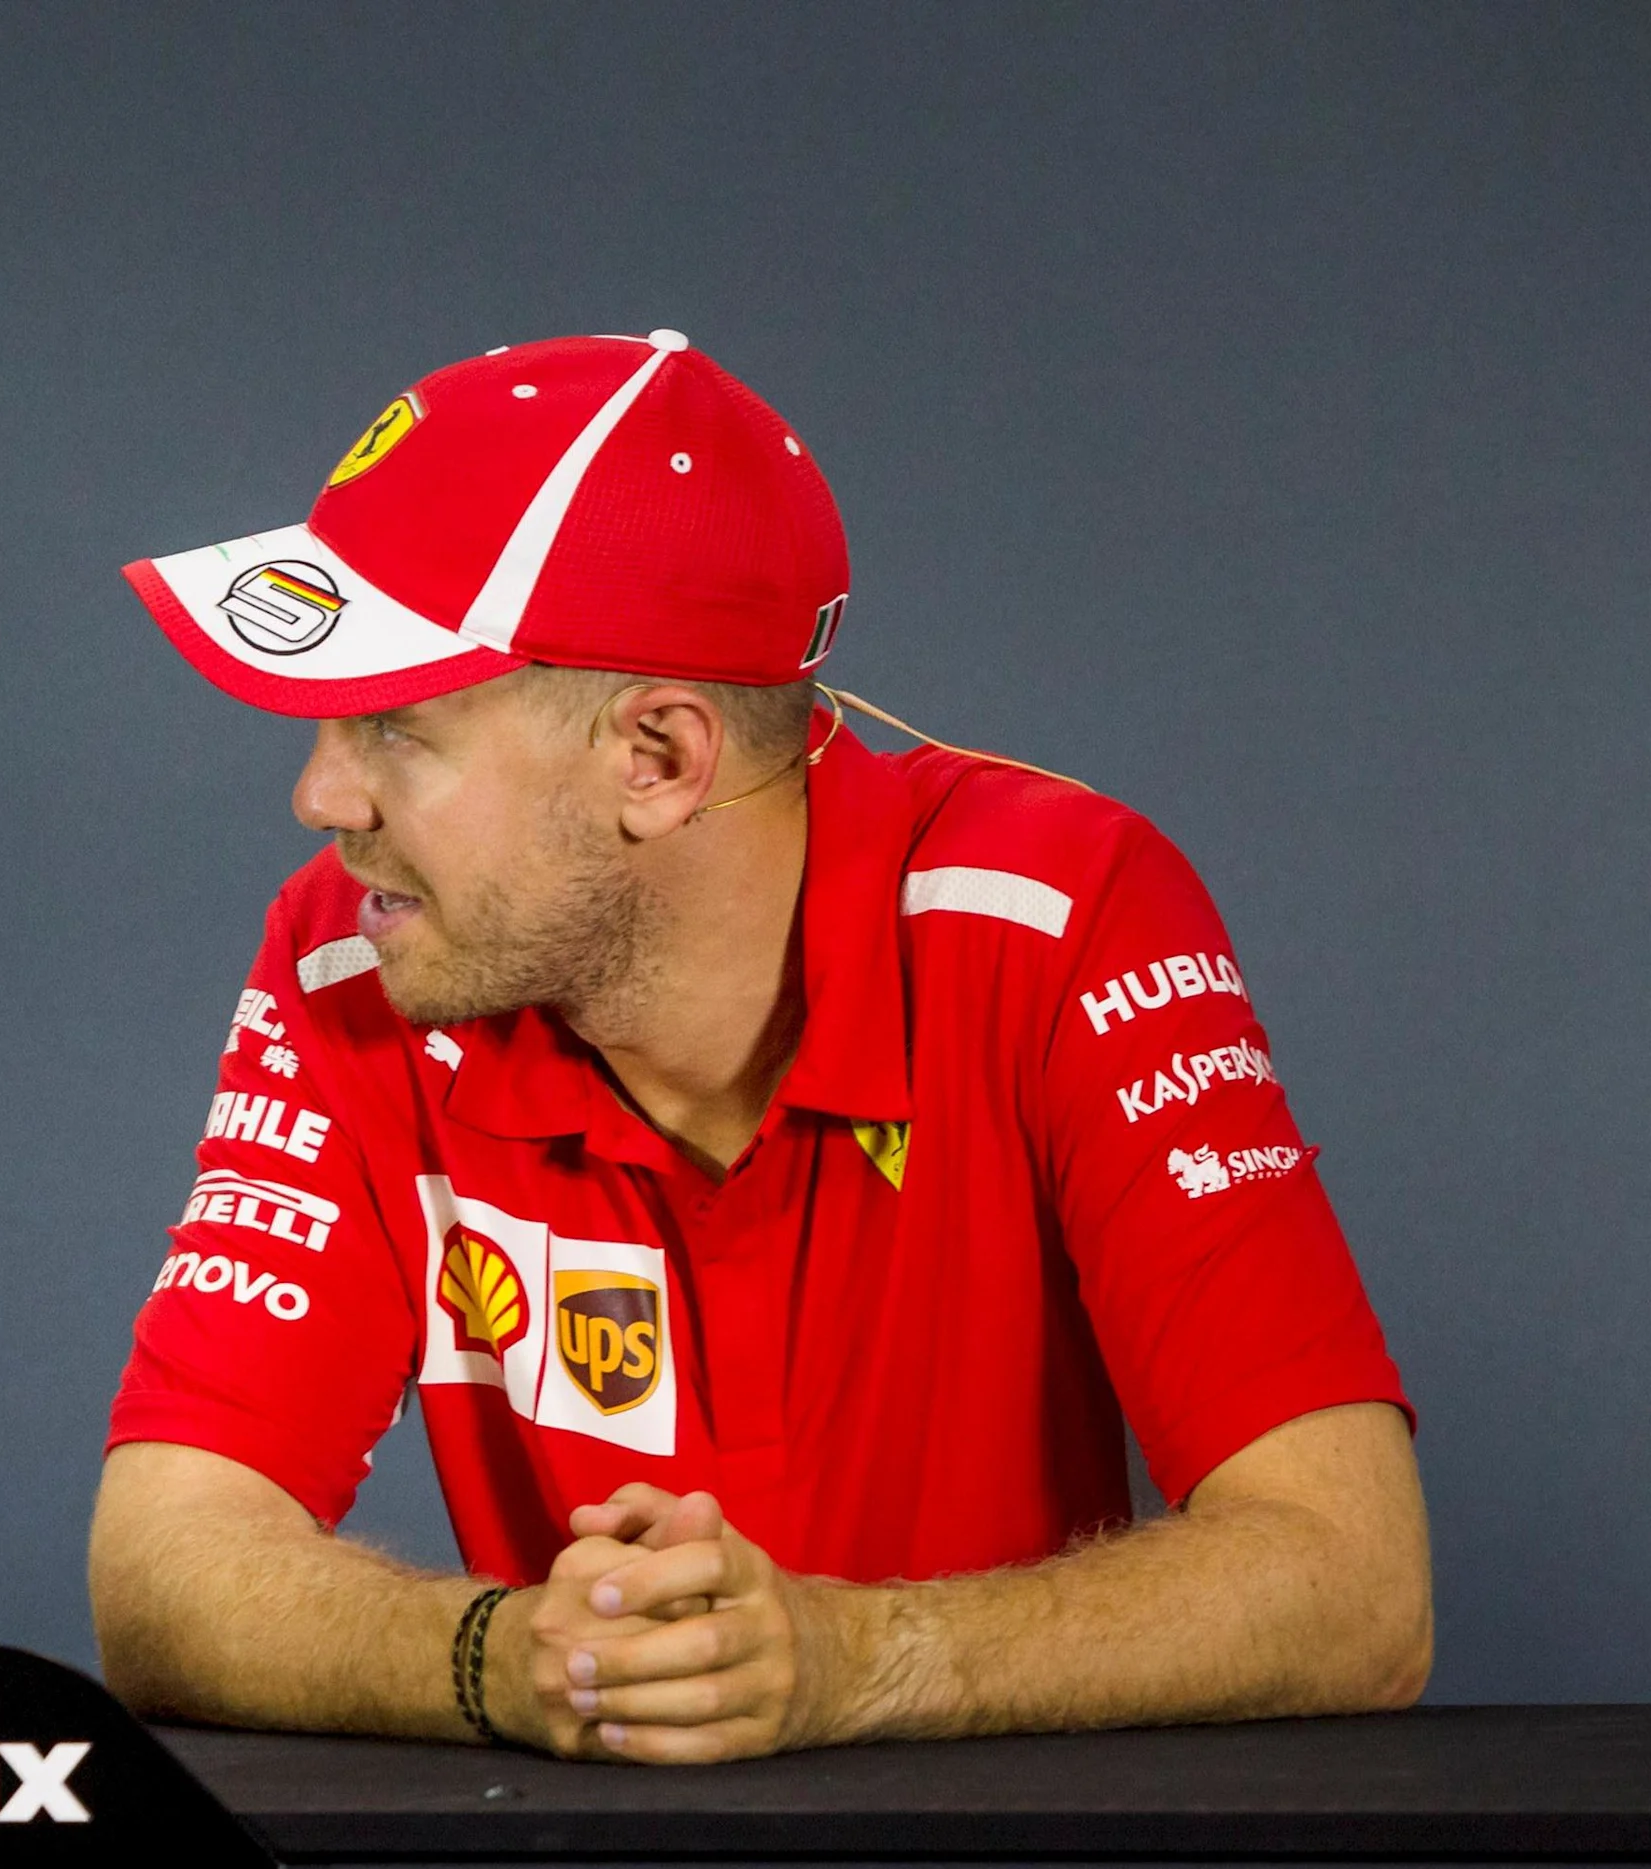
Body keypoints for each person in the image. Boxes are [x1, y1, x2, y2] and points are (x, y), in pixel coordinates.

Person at [86, 330, 1429, 1763]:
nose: (317, 796)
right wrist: (494, 1658)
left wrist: (856, 1661)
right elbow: (161, 1564)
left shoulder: (1053, 912)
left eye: (398, 728)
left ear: (657, 759)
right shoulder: (358, 952)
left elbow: (1356, 1585)